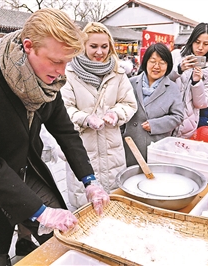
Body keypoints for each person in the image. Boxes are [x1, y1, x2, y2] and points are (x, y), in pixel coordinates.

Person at [0, 8, 110, 265]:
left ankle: (30, 239)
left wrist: (90, 181)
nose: (61, 72)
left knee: (65, 237)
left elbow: (66, 132)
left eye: (67, 62)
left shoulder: (49, 82)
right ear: (28, 46)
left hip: (25, 170)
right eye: (56, 61)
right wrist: (41, 213)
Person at [61, 22, 137, 209]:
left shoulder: (118, 73)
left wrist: (116, 114)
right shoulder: (69, 74)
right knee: (84, 205)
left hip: (112, 151)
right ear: (83, 46)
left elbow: (129, 103)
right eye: (93, 46)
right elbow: (64, 109)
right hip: (82, 150)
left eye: (104, 46)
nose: (99, 52)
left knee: (113, 204)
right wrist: (85, 119)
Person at [123, 43, 184, 166]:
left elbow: (178, 117)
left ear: (168, 65)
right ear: (145, 62)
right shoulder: (130, 83)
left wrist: (155, 125)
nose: (157, 66)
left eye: (162, 62)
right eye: (153, 61)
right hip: (129, 146)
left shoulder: (172, 88)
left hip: (156, 147)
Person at [168, 22, 208, 139]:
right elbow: (160, 82)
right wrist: (179, 70)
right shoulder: (175, 56)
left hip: (187, 126)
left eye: (206, 44)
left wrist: (197, 82)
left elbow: (202, 103)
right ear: (191, 40)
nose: (200, 47)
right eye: (197, 42)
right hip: (166, 119)